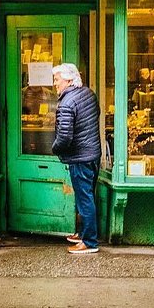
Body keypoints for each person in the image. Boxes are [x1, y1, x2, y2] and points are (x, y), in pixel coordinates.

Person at [52, 63, 101, 255]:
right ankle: (83, 234)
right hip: (92, 154)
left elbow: (64, 136)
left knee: (84, 199)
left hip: (80, 157)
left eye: (58, 79)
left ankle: (89, 242)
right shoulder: (88, 94)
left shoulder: (67, 102)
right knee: (87, 195)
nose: (55, 83)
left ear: (70, 80)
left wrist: (54, 148)